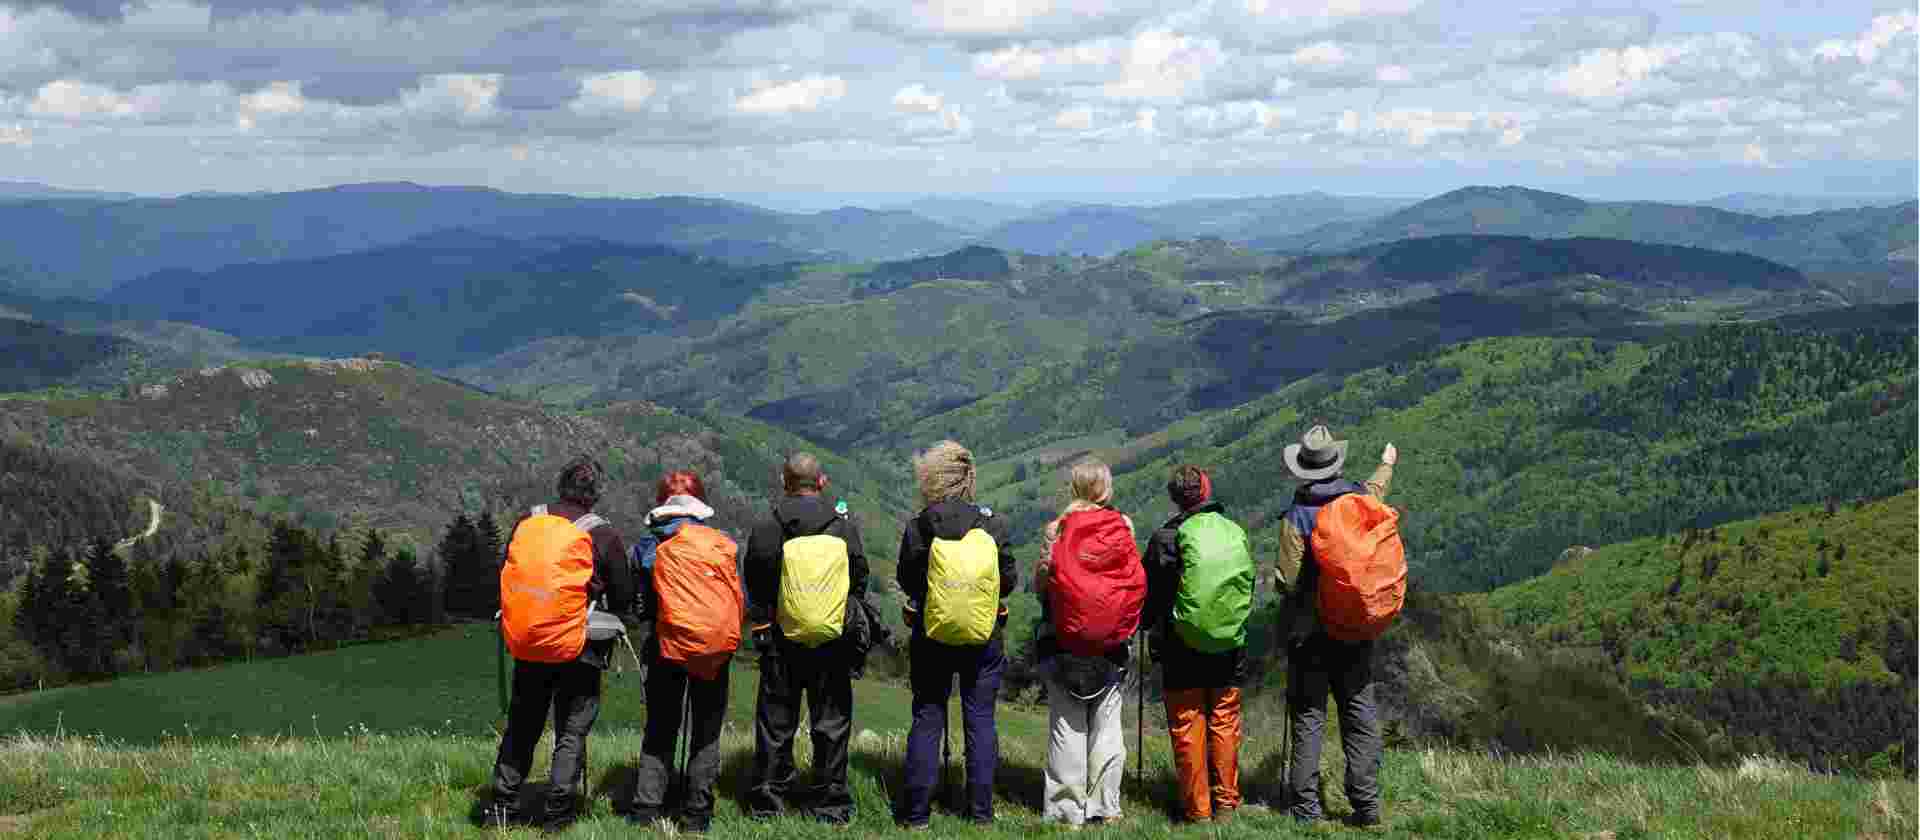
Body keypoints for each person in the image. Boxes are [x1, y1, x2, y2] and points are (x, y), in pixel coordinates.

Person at [485, 456, 633, 832]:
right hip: (579, 645)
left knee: (523, 723)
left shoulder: (529, 521)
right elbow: (623, 595)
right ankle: (558, 814)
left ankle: (502, 807)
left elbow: (509, 570)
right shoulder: (602, 533)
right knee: (571, 728)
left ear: (560, 486)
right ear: (594, 494)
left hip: (531, 639)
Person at [1276, 425, 1398, 828]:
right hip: (1353, 629)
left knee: (1310, 718)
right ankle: (1366, 807)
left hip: (1310, 634)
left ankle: (1306, 812)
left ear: (1304, 469)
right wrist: (1387, 463)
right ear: (1335, 463)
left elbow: (1289, 581)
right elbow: (1376, 491)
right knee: (1358, 712)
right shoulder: (1357, 502)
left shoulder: (1297, 516)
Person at [894, 440, 1018, 828]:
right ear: (969, 478)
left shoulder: (920, 525)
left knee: (928, 716)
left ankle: (916, 815)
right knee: (980, 720)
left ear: (932, 478)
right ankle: (980, 813)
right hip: (984, 637)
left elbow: (907, 577)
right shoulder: (992, 524)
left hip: (931, 634)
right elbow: (1009, 580)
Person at [743, 453, 868, 824]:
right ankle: (831, 805)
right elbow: (859, 578)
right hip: (831, 640)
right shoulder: (841, 526)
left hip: (781, 639)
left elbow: (756, 579)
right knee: (830, 723)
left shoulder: (769, 524)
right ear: (822, 482)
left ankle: (769, 804)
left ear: (785, 482)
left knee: (776, 723)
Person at [626, 471, 742, 834]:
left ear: (663, 503)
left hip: (665, 646)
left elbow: (640, 605)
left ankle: (646, 810)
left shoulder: (648, 546)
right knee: (706, 730)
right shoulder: (722, 542)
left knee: (661, 728)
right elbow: (740, 600)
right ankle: (696, 814)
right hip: (712, 649)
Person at [1032, 458, 1144, 828]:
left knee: (1067, 728)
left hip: (1063, 641)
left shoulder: (1057, 529)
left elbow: (1042, 585)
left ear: (1074, 489)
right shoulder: (1123, 526)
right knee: (1107, 728)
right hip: (1112, 644)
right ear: (1107, 489)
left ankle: (1067, 812)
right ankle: (1105, 807)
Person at [1143, 464, 1254, 824]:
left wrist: (1148, 628)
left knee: (1189, 725)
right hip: (1228, 641)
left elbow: (1152, 596)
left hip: (1180, 646)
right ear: (1206, 492)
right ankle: (1226, 805)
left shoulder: (1164, 539)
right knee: (1224, 721)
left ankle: (1198, 812)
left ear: (1175, 498)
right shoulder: (1233, 531)